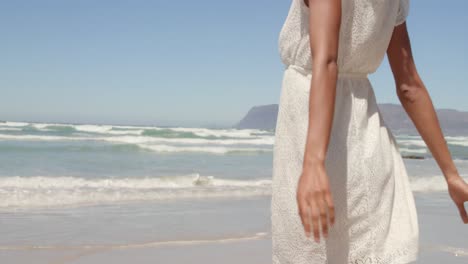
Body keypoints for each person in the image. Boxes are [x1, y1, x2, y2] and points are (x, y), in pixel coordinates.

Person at [270, 0, 468, 263]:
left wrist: (314, 162)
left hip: (311, 129)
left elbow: (327, 62)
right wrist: (451, 175)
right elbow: (410, 86)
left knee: (312, 250)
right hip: (365, 134)